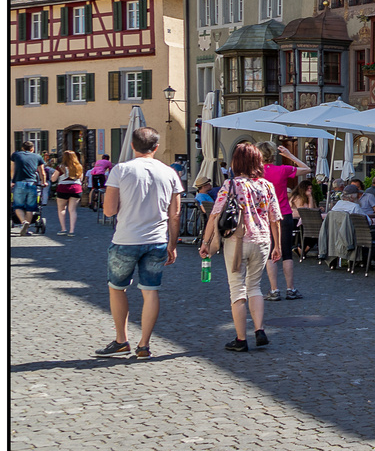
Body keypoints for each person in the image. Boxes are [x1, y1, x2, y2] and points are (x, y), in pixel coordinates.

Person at [95, 127, 183, 359]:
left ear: (132, 146)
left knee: (116, 287)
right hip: (156, 241)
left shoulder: (121, 170)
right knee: (151, 291)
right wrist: (172, 245)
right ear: (156, 147)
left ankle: (121, 340)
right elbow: (175, 215)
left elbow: (109, 210)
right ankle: (144, 345)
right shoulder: (170, 173)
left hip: (125, 239)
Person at [201, 142, 282, 352]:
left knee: (237, 288)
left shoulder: (231, 185)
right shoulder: (266, 186)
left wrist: (206, 242)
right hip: (263, 241)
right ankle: (259, 330)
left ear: (236, 162)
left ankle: (240, 339)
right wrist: (277, 246)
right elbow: (276, 219)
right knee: (255, 287)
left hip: (238, 241)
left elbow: (215, 214)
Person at [261, 143, 310, 301]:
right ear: (273, 155)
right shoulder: (282, 169)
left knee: (270, 254)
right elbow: (306, 169)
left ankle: (274, 290)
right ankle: (291, 289)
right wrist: (290, 156)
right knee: (287, 253)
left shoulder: (255, 173)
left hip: (265, 216)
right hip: (284, 213)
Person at [11, 141, 45, 235]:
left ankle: (23, 222)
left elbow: (13, 169)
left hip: (19, 183)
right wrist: (44, 182)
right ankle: (26, 229)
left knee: (18, 205)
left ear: (22, 148)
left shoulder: (16, 155)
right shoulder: (37, 157)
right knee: (30, 207)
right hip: (32, 183)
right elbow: (42, 172)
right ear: (32, 149)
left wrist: (12, 181)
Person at [51, 150, 85, 235]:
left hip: (63, 188)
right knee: (72, 210)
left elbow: (53, 179)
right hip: (76, 188)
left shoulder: (61, 167)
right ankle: (72, 230)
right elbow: (81, 179)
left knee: (62, 209)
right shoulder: (79, 166)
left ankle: (63, 229)